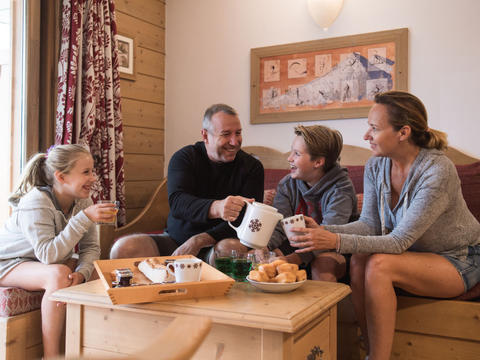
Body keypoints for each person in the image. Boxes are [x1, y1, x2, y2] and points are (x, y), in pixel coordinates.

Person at [288, 91, 480, 360]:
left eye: (374, 128)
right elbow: (368, 225)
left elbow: (399, 241)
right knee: (359, 259)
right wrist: (322, 231)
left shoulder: (437, 170)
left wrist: (334, 241)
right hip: (415, 255)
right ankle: (371, 351)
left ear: (403, 132)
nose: (366, 135)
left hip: (458, 257)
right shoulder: (376, 166)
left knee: (379, 264)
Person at [0, 144, 115, 358]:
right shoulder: (36, 202)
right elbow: (48, 255)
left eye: (93, 170)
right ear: (61, 177)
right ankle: (51, 356)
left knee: (102, 271)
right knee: (59, 275)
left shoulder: (83, 200)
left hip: (39, 261)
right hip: (8, 262)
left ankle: (94, 348)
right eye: (86, 172)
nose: (94, 178)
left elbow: (90, 247)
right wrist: (84, 218)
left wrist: (82, 274)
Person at [110, 104, 264, 263]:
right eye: (226, 134)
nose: (234, 141)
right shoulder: (184, 158)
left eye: (238, 133)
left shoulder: (252, 167)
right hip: (176, 242)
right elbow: (178, 203)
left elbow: (248, 221)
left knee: (230, 249)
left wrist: (199, 240)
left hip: (220, 243)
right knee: (125, 248)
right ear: (205, 136)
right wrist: (217, 207)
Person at [264, 125, 358, 281]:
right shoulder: (287, 184)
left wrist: (292, 259)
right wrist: (265, 248)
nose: (289, 158)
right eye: (291, 151)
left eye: (297, 154)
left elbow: (328, 238)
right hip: (295, 246)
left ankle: (326, 305)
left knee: (323, 263)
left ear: (318, 162)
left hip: (335, 249)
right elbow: (279, 226)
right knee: (271, 256)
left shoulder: (341, 189)